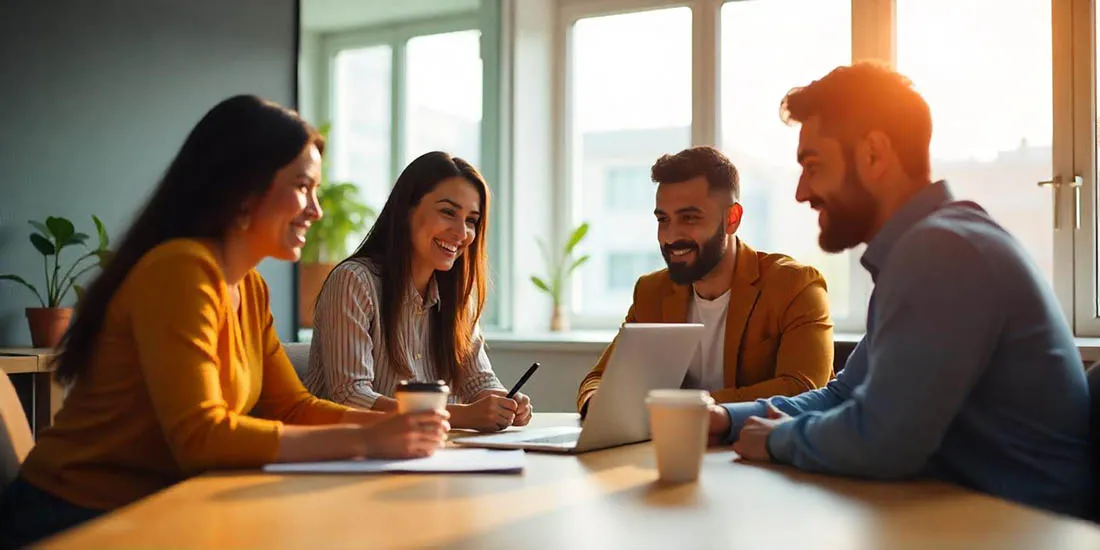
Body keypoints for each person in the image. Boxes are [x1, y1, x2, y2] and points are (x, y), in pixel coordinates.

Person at [0, 96, 449, 547]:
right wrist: (368, 441)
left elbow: (290, 408)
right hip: (74, 515)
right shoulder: (180, 269)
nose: (316, 210)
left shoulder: (249, 287)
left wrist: (395, 422)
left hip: (159, 509)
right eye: (302, 187)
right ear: (242, 188)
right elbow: (200, 437)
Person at [708, 63, 1092, 518]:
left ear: (874, 154)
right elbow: (843, 395)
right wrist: (728, 418)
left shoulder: (942, 251)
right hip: (968, 515)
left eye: (813, 166)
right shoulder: (928, 247)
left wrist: (778, 439)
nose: (801, 191)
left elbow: (883, 440)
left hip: (1029, 530)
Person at [577, 146, 834, 416]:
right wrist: (600, 407)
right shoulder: (651, 291)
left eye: (689, 218)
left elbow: (804, 389)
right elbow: (598, 380)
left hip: (759, 442)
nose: (670, 236)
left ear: (732, 219)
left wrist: (686, 408)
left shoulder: (796, 286)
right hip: (666, 439)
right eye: (663, 219)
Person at [304, 152, 532, 432]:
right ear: (407, 210)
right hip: (347, 451)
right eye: (448, 212)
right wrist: (459, 416)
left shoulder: (457, 295)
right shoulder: (354, 282)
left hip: (431, 451)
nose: (461, 233)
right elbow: (351, 397)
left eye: (471, 220)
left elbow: (479, 381)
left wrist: (504, 402)